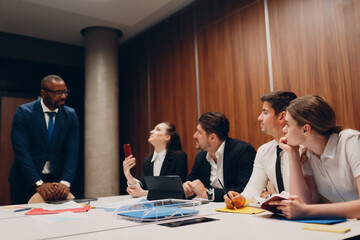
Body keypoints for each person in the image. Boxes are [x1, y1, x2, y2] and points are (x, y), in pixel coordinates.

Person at [269, 95, 360, 219]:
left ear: (306, 129)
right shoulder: (307, 154)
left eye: (288, 124)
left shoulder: (351, 141)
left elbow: (304, 209)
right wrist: (293, 154)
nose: (284, 129)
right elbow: (302, 203)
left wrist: (307, 211)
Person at [8, 75, 79, 204]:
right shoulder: (24, 113)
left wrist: (65, 182)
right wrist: (39, 183)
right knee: (22, 222)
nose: (63, 96)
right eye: (58, 92)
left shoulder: (70, 115)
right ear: (44, 93)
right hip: (26, 180)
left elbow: (72, 150)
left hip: (56, 182)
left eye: (65, 92)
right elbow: (21, 151)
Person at [224, 91, 297, 208]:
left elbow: (301, 196)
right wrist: (240, 198)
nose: (259, 118)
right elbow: (254, 188)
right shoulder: (264, 150)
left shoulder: (303, 148)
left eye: (265, 112)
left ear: (282, 116)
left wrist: (269, 197)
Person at [183, 112, 256, 202]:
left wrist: (208, 193)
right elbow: (192, 182)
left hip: (235, 210)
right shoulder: (201, 157)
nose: (195, 136)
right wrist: (187, 188)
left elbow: (246, 189)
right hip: (208, 210)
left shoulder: (243, 151)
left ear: (212, 138)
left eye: (199, 132)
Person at [123, 122, 188, 197]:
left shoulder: (179, 157)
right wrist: (127, 173)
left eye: (158, 129)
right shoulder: (147, 160)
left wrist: (144, 193)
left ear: (167, 137)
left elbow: (176, 190)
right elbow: (142, 187)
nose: (151, 131)